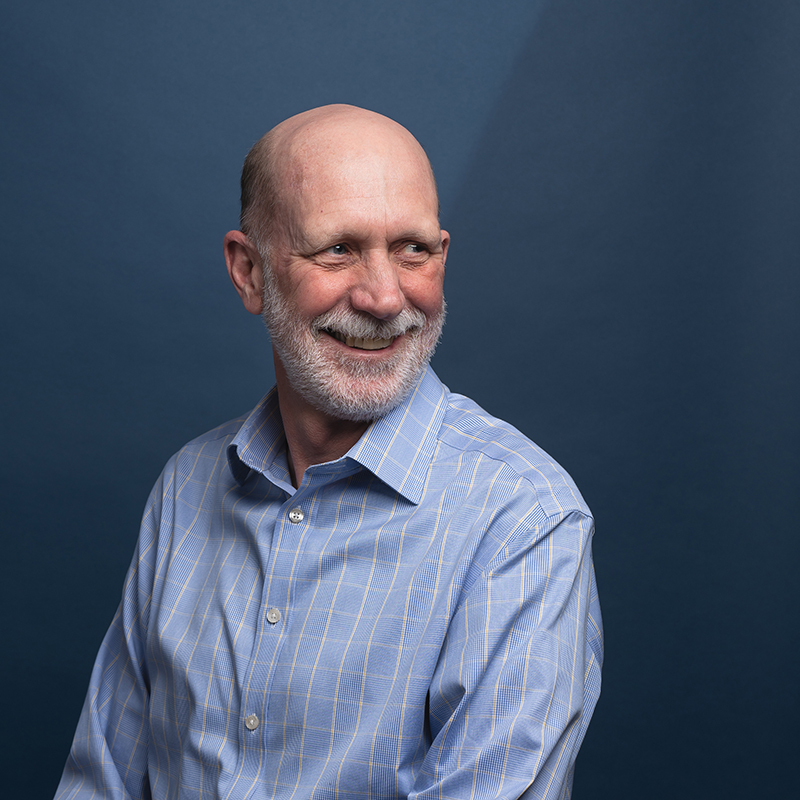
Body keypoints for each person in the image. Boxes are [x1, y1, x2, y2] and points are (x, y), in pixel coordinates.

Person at [55, 105, 602, 800]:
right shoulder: (185, 489)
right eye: (338, 248)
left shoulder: (525, 520)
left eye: (413, 250)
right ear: (249, 272)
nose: (383, 296)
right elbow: (100, 783)